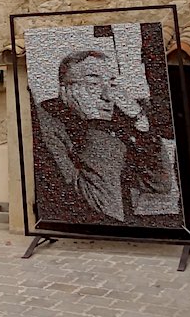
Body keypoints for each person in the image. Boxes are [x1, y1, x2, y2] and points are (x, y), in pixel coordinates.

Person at [31, 48, 178, 225]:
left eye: (112, 84)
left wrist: (141, 124)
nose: (108, 96)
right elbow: (104, 207)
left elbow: (158, 184)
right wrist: (96, 124)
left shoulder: (114, 117)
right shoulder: (46, 124)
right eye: (93, 85)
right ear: (65, 90)